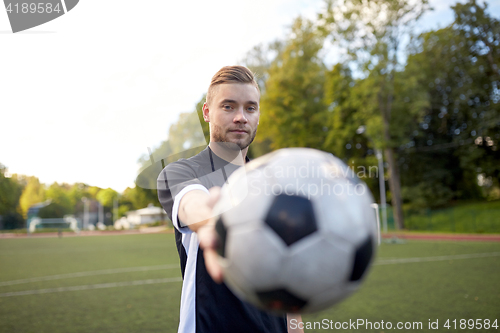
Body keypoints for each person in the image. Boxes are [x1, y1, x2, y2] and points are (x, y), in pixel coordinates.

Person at [157, 66, 303, 333]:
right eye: (228, 106)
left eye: (250, 108)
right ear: (207, 112)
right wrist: (213, 221)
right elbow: (192, 203)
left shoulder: (274, 180)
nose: (241, 117)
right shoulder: (181, 172)